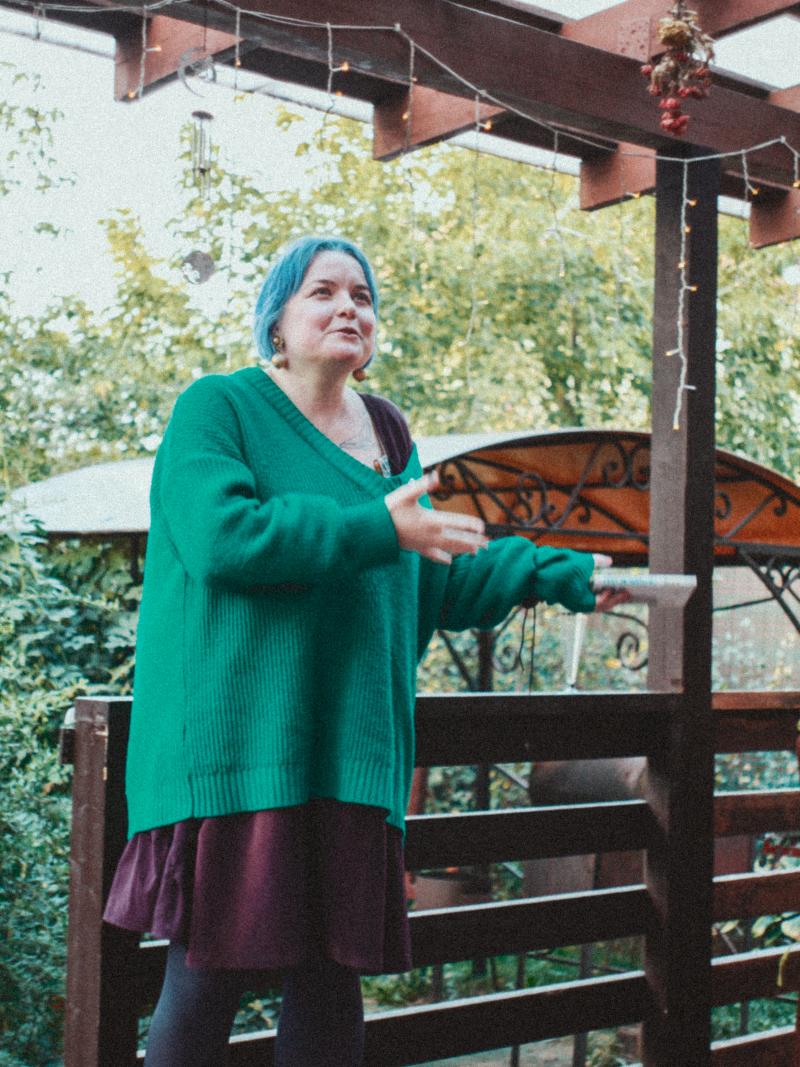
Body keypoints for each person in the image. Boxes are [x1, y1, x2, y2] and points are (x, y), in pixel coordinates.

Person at [103, 234, 626, 1066]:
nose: (349, 306)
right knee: (206, 982)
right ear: (276, 321)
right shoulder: (219, 408)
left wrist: (566, 576)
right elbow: (223, 539)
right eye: (323, 291)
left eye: (363, 295)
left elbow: (437, 572)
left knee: (329, 986)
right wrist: (377, 526)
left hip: (350, 755)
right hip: (239, 751)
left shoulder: (387, 434)